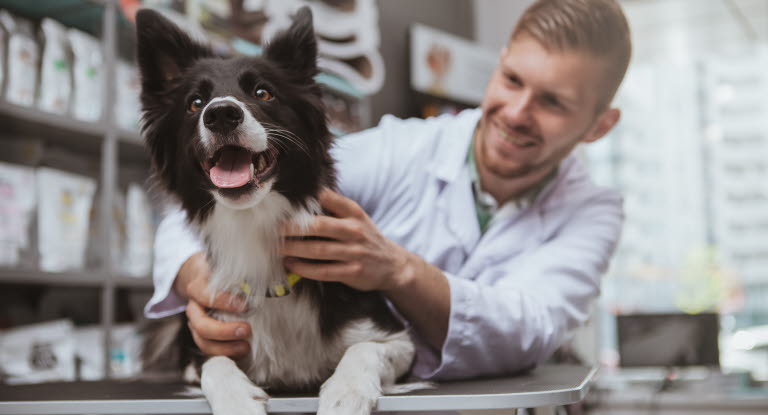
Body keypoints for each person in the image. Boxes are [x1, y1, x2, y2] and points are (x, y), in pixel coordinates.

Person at [145, 0, 631, 380]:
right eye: (512, 79)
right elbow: (199, 208)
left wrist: (398, 271)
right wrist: (196, 278)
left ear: (598, 126)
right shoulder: (401, 147)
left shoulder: (593, 213)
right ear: (499, 64)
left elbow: (527, 330)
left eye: (552, 102)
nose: (518, 111)